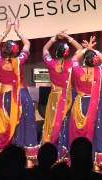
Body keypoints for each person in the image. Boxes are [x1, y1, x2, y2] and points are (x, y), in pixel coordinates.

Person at [0, 18, 38, 159]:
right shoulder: (19, 60)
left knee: (6, 125)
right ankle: (27, 158)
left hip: (6, 98)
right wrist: (18, 31)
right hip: (22, 97)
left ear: (3, 50)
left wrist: (6, 30)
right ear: (16, 51)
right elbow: (27, 43)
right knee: (25, 124)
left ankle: (7, 156)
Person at [68, 36, 102, 166]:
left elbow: (74, 59)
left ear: (84, 60)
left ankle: (77, 160)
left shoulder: (77, 70)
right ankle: (96, 162)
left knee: (77, 131)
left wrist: (85, 50)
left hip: (80, 104)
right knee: (96, 130)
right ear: (95, 61)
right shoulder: (99, 71)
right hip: (95, 105)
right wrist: (93, 49)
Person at [41, 30, 82, 160]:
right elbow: (81, 49)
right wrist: (67, 37)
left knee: (52, 122)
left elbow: (45, 49)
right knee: (64, 122)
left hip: (54, 97)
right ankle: (62, 151)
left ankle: (50, 151)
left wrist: (54, 38)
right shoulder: (71, 64)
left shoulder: (50, 63)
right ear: (66, 53)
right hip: (67, 98)